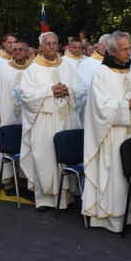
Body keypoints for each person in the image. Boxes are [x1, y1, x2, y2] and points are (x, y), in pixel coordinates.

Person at [82, 31, 131, 232]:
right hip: (112, 135)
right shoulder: (101, 73)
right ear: (112, 51)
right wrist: (127, 105)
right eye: (125, 49)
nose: (129, 52)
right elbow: (100, 107)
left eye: (130, 48)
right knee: (115, 174)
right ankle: (111, 217)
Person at [20, 32, 84, 211]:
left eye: (54, 43)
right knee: (45, 158)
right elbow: (27, 96)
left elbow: (80, 88)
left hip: (66, 120)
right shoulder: (33, 69)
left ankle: (66, 197)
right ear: (40, 47)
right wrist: (50, 92)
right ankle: (44, 199)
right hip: (44, 123)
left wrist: (68, 90)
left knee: (64, 158)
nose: (51, 46)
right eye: (47, 44)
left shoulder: (68, 66)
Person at [0, 40, 32, 188]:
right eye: (15, 49)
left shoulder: (34, 69)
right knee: (7, 144)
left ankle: (25, 178)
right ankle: (8, 180)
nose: (17, 52)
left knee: (28, 144)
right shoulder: (4, 69)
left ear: (27, 52)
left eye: (21, 49)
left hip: (28, 115)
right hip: (7, 114)